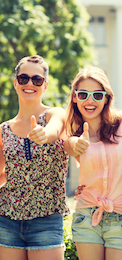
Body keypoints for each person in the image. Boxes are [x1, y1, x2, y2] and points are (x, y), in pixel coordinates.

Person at [0, 55, 69, 260]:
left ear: (45, 85)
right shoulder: (3, 130)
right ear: (15, 82)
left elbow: (55, 128)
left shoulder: (55, 114)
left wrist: (45, 135)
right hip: (6, 219)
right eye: (24, 78)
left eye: (37, 80)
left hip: (46, 218)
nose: (30, 84)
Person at [64, 66, 122, 260]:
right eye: (83, 94)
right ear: (74, 97)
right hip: (87, 216)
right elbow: (71, 146)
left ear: (106, 98)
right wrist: (77, 143)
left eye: (97, 95)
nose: (90, 100)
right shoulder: (73, 136)